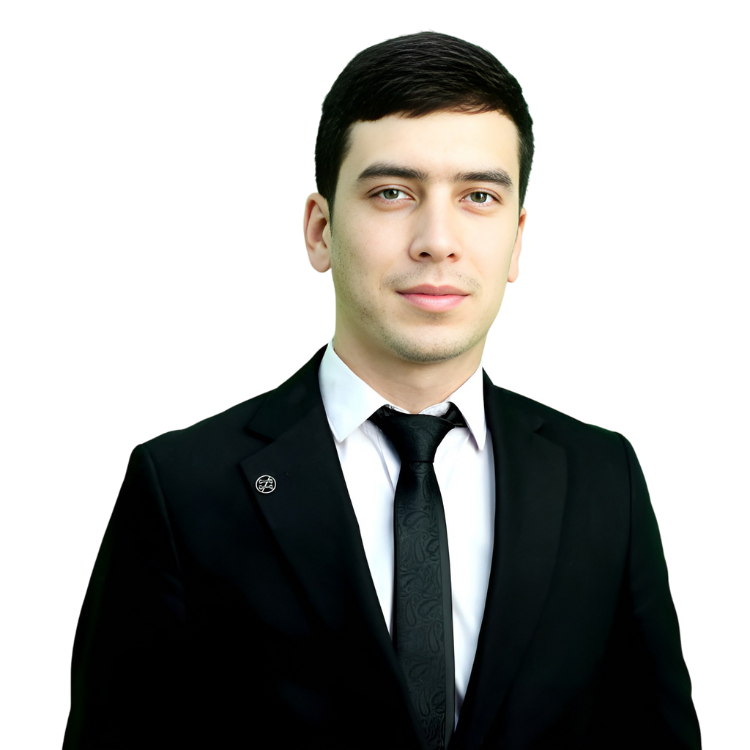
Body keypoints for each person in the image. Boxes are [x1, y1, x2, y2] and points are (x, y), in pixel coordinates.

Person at [62, 30, 701, 750]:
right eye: (392, 192)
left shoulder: (601, 479)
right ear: (320, 229)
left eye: (479, 196)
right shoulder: (183, 488)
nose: (437, 239)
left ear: (517, 239)